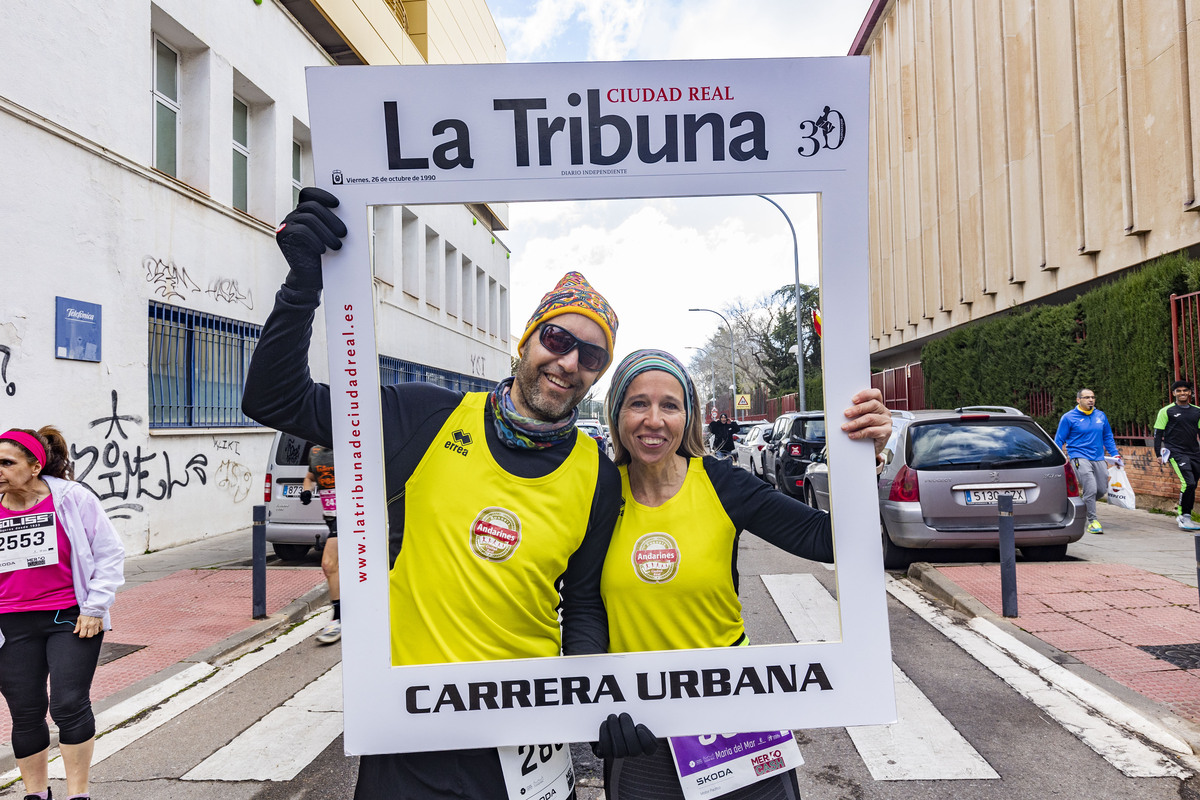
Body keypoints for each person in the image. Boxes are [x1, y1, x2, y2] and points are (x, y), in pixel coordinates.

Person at [241, 188, 625, 800]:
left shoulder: (597, 471)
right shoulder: (425, 415)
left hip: (524, 738)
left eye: (592, 355)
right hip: (413, 728)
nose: (569, 361)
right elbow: (275, 399)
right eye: (556, 339)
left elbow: (582, 604)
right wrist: (301, 286)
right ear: (525, 341)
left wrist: (589, 701)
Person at [599, 350, 891, 797]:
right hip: (639, 727)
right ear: (617, 413)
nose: (653, 420)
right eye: (638, 403)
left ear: (689, 416)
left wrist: (862, 462)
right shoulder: (596, 494)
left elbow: (824, 537)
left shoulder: (722, 483)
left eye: (670, 405)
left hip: (732, 713)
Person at [0, 427, 125, 800]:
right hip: (10, 623)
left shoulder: (71, 498)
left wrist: (95, 606)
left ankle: (77, 795)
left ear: (36, 465)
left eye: (7, 463)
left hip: (69, 617)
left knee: (68, 705)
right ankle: (36, 795)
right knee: (25, 711)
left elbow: (109, 552)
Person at [1054, 388, 1121, 534]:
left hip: (1098, 457)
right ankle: (1092, 521)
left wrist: (1115, 455)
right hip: (1079, 457)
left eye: (1092, 397)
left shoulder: (1100, 416)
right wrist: (1057, 457)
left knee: (1101, 489)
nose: (1090, 400)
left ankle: (1080, 507)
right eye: (1086, 397)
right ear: (1078, 400)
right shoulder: (1069, 417)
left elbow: (1108, 436)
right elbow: (1059, 439)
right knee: (1090, 488)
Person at [300, 445, 340, 644]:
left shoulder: (349, 442)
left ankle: (338, 618)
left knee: (329, 564)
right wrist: (307, 491)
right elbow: (310, 476)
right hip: (331, 517)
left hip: (353, 515)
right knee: (339, 568)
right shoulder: (315, 451)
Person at [1153, 380, 1200, 530]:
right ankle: (1182, 515)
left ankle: (1187, 515)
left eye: (1185, 390)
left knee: (1193, 485)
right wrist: (1158, 454)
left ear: (1190, 393)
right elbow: (1158, 433)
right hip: (1176, 452)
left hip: (1194, 452)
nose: (1182, 393)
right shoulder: (1166, 411)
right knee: (1188, 483)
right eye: (1178, 391)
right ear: (1174, 393)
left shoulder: (1197, 411)